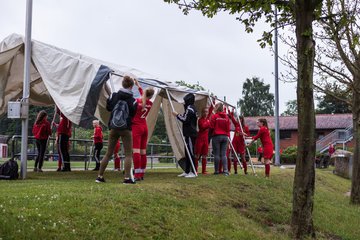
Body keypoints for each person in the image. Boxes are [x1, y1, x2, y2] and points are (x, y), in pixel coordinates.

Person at [95, 76, 137, 184]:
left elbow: (108, 108)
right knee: (128, 154)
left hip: (113, 127)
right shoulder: (133, 100)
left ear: (122, 84)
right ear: (131, 86)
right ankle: (127, 178)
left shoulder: (114, 95)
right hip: (126, 128)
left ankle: (99, 176)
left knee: (108, 153)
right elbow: (133, 114)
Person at [132, 78, 155, 181]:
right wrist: (138, 85)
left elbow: (142, 97)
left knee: (136, 151)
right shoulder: (150, 103)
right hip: (144, 127)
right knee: (143, 152)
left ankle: (136, 174)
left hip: (137, 126)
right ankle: (141, 173)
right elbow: (144, 96)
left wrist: (137, 85)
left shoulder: (138, 102)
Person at [172, 93, 198, 178]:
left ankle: (193, 172)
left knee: (190, 152)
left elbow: (185, 119)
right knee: (187, 153)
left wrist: (177, 115)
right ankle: (187, 171)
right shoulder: (192, 108)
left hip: (190, 133)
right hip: (189, 133)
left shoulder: (189, 109)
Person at [210, 102, 230, 176]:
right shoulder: (226, 117)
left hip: (216, 136)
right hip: (225, 136)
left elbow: (211, 127)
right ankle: (226, 171)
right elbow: (228, 127)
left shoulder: (215, 116)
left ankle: (217, 171)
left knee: (217, 154)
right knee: (224, 154)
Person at [194, 101, 214, 174]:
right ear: (202, 113)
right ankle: (195, 170)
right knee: (197, 155)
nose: (206, 113)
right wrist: (208, 123)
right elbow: (203, 127)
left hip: (206, 140)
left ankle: (203, 171)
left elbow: (211, 109)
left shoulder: (208, 118)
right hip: (200, 139)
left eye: (207, 112)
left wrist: (213, 101)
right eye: (204, 112)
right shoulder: (200, 120)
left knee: (205, 155)